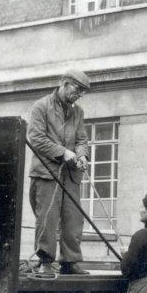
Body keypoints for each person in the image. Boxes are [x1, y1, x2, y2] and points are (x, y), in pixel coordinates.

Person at [26, 69, 92, 278]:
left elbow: (82, 139)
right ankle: (45, 260)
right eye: (78, 89)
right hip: (47, 173)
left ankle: (70, 261)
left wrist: (82, 155)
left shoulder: (78, 112)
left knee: (74, 219)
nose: (79, 94)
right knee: (48, 218)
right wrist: (63, 153)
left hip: (70, 175)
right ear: (64, 83)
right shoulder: (41, 107)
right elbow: (36, 139)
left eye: (83, 92)